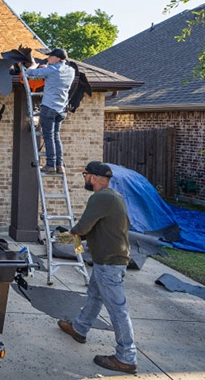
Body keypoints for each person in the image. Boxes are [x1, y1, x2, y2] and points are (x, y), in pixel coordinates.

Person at [58, 161, 137, 375]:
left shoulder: (100, 197)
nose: (84, 179)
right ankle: (79, 329)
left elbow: (83, 226)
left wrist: (64, 237)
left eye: (85, 175)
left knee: (118, 310)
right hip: (108, 261)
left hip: (110, 263)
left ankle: (126, 357)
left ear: (93, 177)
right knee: (94, 296)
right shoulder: (115, 197)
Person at [24, 47, 75, 174]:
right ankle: (60, 165)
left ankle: (50, 165)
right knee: (56, 137)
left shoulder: (51, 70)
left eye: (50, 57)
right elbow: (55, 73)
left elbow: (29, 73)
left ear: (57, 58)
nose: (48, 58)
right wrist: (46, 68)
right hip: (61, 109)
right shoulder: (71, 70)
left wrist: (34, 65)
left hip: (49, 107)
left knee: (48, 137)